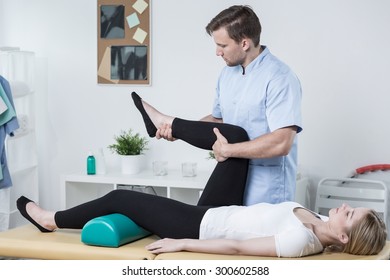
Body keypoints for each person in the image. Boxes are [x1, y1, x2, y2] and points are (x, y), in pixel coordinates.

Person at [16, 94, 387, 258]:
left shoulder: (299, 241)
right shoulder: (322, 223)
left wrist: (182, 243)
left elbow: (237, 248)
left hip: (201, 225)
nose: (345, 206)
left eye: (350, 214)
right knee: (237, 137)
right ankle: (166, 123)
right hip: (222, 209)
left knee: (121, 198)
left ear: (342, 235)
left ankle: (52, 220)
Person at [156, 5, 303, 206]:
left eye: (223, 46)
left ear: (244, 43)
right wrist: (179, 130)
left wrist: (228, 150)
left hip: (266, 187)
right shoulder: (227, 74)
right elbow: (218, 120)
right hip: (232, 176)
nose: (217, 52)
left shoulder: (280, 77)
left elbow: (282, 142)